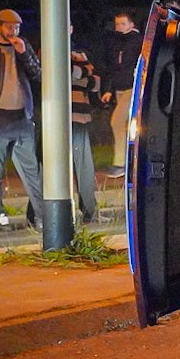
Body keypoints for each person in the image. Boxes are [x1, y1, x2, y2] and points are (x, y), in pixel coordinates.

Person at [0, 9, 47, 229]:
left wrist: (24, 53)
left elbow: (38, 75)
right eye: (9, 27)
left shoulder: (23, 45)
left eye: (17, 27)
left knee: (32, 171)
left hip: (23, 118)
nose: (13, 31)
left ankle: (41, 217)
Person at [69, 24, 107, 223]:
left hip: (80, 116)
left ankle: (89, 210)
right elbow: (76, 73)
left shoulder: (80, 53)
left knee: (84, 165)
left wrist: (84, 73)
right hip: (65, 118)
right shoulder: (48, 50)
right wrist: (85, 72)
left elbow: (93, 80)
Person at [99, 10, 141, 177]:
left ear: (131, 25)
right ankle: (130, 162)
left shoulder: (137, 41)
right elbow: (112, 68)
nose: (119, 27)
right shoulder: (115, 43)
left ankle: (120, 163)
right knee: (127, 126)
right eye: (117, 24)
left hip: (132, 87)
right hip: (119, 89)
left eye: (123, 24)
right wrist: (108, 89)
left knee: (117, 121)